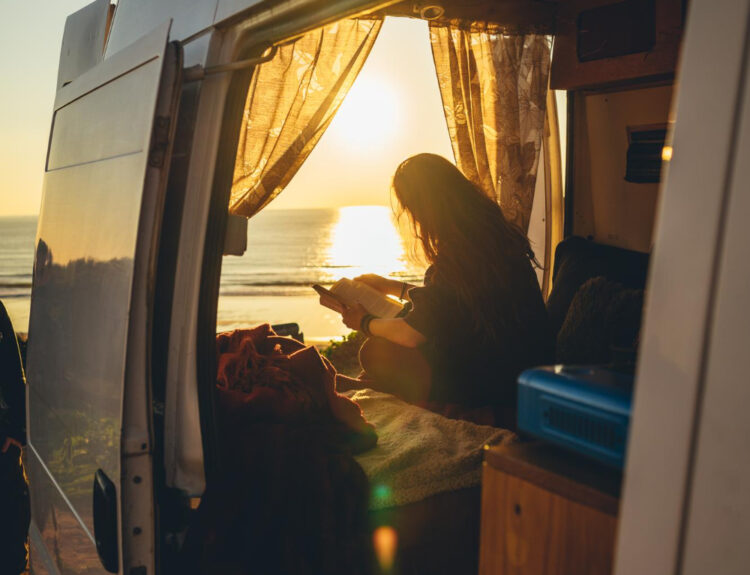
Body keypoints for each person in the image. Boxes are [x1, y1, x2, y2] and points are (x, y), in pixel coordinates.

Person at [337, 154, 554, 428]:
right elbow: (453, 301)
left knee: (377, 350)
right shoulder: (492, 237)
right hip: (522, 368)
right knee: (399, 334)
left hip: (497, 382)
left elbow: (412, 333)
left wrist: (364, 322)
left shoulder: (459, 255)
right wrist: (390, 286)